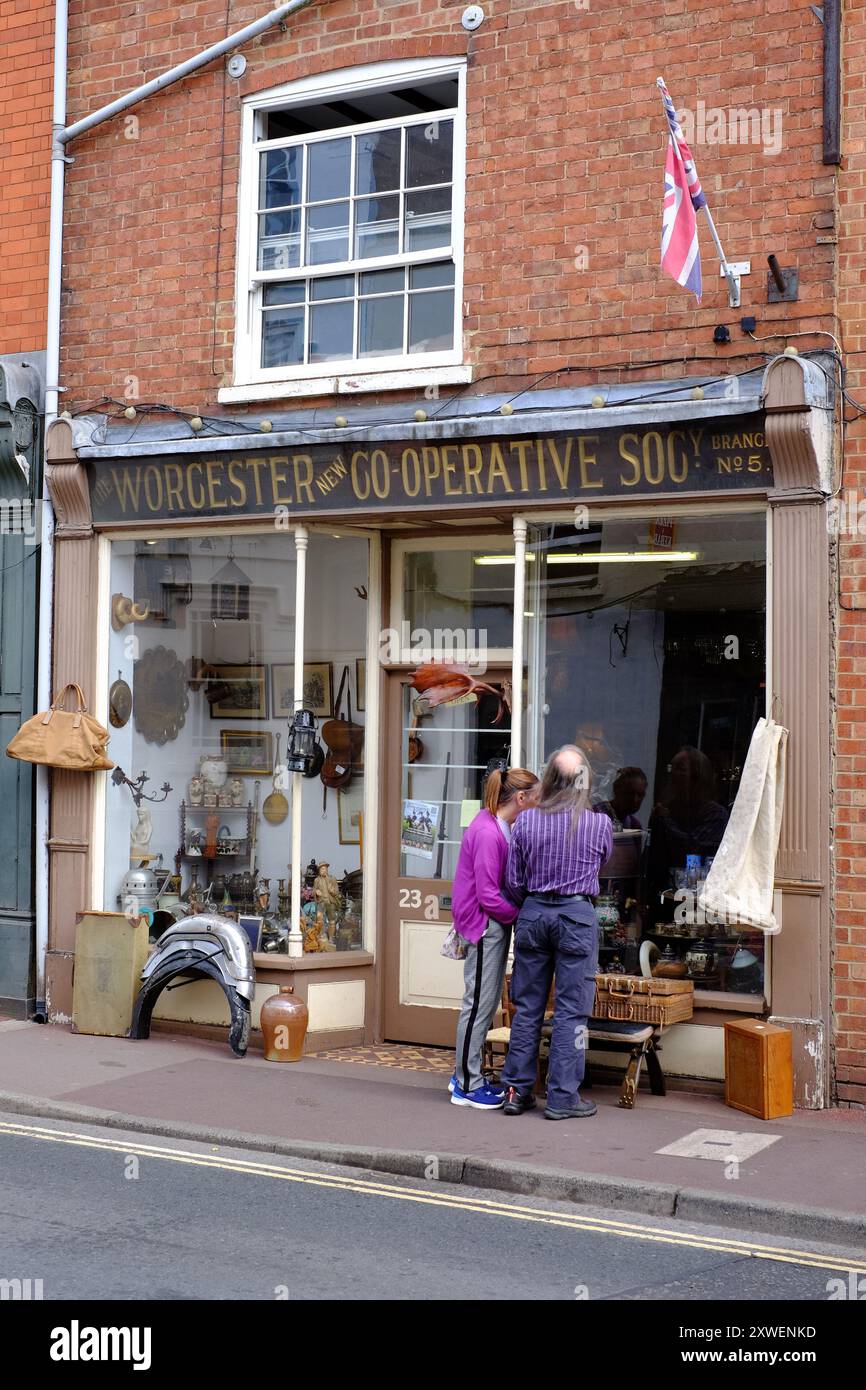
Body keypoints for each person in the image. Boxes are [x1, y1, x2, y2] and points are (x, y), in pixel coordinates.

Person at [500, 745, 612, 1120]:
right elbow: (602, 866)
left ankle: (516, 1092)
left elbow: (513, 881)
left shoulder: (527, 821)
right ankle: (563, 1097)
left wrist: (534, 902)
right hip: (577, 916)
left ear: (547, 779)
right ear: (584, 782)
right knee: (571, 1012)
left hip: (533, 914)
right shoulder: (598, 823)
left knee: (527, 1007)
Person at [450, 765, 540, 1109]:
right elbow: (488, 895)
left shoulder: (493, 823)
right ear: (520, 798)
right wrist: (520, 918)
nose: (538, 804)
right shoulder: (490, 832)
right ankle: (468, 1085)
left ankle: (463, 1074)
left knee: (478, 1004)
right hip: (485, 926)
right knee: (479, 1006)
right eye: (536, 798)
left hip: (484, 924)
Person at [594, 766, 648, 831]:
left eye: (640, 795)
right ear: (616, 790)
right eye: (629, 793)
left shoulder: (634, 825)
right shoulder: (594, 816)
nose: (635, 800)